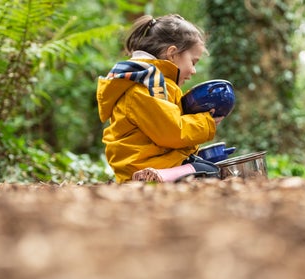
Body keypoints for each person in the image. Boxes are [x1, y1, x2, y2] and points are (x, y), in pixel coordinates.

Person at [96, 14, 224, 183]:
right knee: (209, 171)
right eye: (193, 62)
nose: (193, 71)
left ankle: (162, 175)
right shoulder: (146, 86)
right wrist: (206, 123)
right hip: (143, 165)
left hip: (154, 160)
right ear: (172, 53)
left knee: (209, 164)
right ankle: (157, 177)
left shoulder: (155, 82)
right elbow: (171, 132)